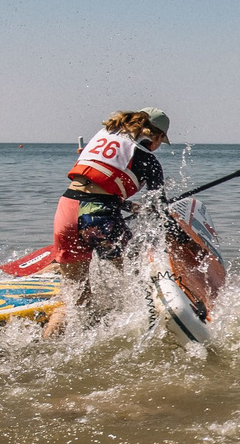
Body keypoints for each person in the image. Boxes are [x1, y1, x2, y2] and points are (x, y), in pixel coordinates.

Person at [44, 108, 169, 332]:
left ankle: (43, 349)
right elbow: (160, 209)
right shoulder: (148, 160)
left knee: (75, 301)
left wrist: (130, 207)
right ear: (156, 136)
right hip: (98, 218)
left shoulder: (100, 138)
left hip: (66, 211)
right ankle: (157, 325)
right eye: (161, 140)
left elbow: (92, 189)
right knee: (140, 279)